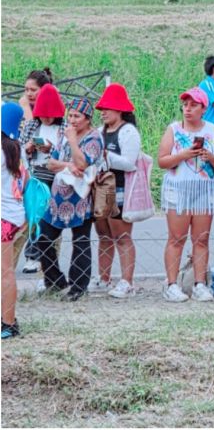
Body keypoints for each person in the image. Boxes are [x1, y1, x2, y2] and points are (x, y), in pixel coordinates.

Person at [157, 87, 214, 303]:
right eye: (185, 105)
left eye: (193, 105)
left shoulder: (213, 130)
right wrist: (183, 154)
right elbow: (162, 161)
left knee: (201, 238)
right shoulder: (174, 129)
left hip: (203, 189)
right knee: (176, 238)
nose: (188, 109)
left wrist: (210, 157)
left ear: (203, 108)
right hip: (178, 189)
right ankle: (171, 284)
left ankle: (200, 283)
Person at [38, 97, 104, 301]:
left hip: (81, 197)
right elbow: (51, 163)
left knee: (81, 241)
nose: (72, 120)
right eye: (71, 115)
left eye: (77, 116)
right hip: (58, 197)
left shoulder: (94, 138)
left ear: (88, 119)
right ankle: (55, 281)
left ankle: (78, 287)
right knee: (43, 237)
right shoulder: (64, 134)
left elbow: (83, 164)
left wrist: (74, 142)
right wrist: (68, 165)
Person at [94, 83, 142, 299]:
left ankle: (127, 281)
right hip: (100, 188)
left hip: (120, 187)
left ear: (120, 109)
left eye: (107, 108)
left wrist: (105, 156)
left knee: (122, 236)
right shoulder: (100, 132)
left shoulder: (128, 132)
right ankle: (103, 278)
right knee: (103, 235)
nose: (103, 112)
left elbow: (130, 163)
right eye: (102, 109)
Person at [18, 81, 64, 274]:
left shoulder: (64, 128)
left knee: (52, 221)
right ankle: (32, 256)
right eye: (42, 115)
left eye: (49, 115)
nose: (45, 118)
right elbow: (19, 150)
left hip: (57, 177)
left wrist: (51, 149)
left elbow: (67, 154)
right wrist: (28, 148)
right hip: (36, 176)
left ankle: (49, 263)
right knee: (34, 216)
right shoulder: (32, 126)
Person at [2, 103, 28, 339]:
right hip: (14, 215)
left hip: (2, 216)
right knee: (6, 271)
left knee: (5, 271)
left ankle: (8, 323)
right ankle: (8, 320)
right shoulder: (16, 150)